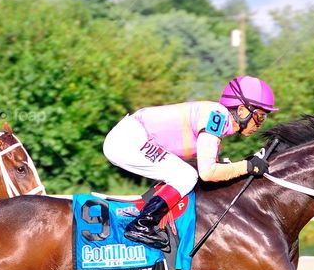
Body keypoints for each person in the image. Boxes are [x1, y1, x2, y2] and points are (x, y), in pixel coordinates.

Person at [102, 76, 276, 248]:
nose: (260, 124)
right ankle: (141, 224)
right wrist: (247, 166)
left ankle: (146, 221)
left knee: (185, 174)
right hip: (129, 139)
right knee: (186, 176)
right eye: (260, 117)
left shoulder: (216, 119)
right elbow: (208, 173)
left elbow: (209, 166)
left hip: (130, 137)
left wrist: (243, 165)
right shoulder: (217, 117)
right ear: (242, 111)